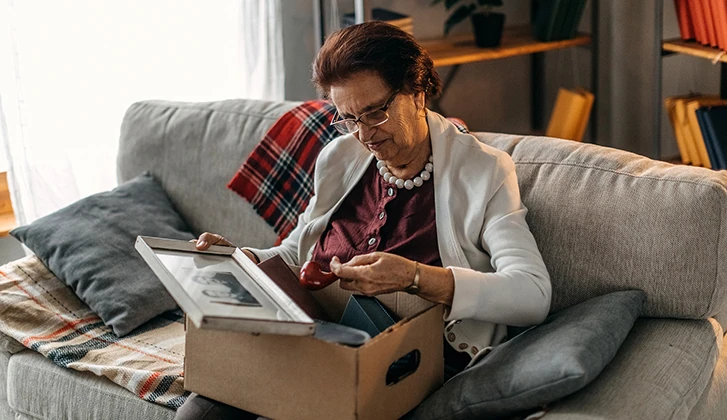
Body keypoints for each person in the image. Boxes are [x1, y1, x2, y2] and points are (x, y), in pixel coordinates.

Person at [175, 21, 551, 420]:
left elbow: (532, 294)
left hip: (402, 366)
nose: (364, 134)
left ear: (417, 94)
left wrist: (415, 278)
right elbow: (296, 250)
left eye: (374, 112)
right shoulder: (339, 157)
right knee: (198, 413)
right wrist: (241, 258)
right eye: (349, 118)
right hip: (317, 344)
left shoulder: (483, 171)